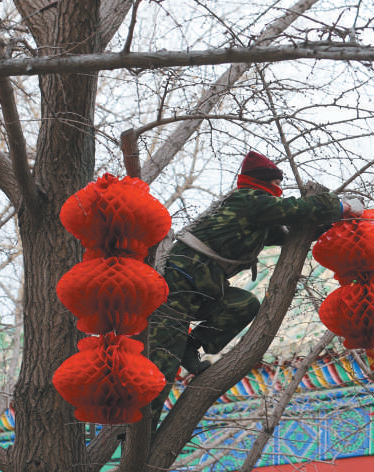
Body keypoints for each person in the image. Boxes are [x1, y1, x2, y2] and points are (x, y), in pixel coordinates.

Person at [147, 151, 362, 382]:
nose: (279, 189)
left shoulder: (255, 216)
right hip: (178, 286)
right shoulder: (248, 201)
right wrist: (341, 206)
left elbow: (289, 234)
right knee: (162, 364)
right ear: (262, 181)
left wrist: (330, 225)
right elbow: (295, 209)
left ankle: (192, 345)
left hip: (203, 287)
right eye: (276, 183)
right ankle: (147, 400)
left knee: (242, 304)